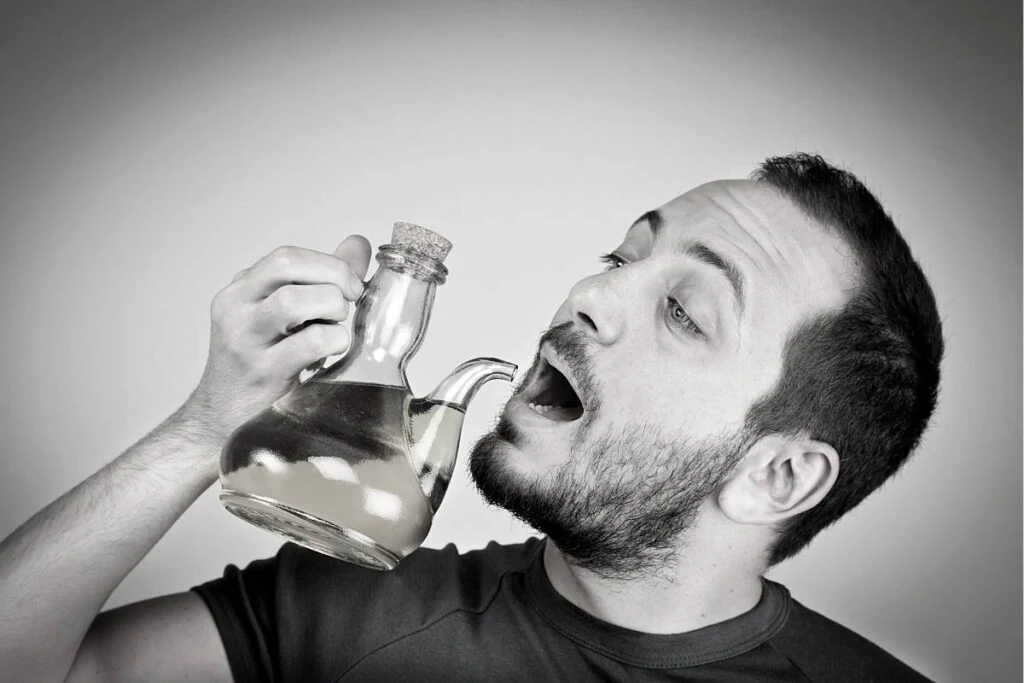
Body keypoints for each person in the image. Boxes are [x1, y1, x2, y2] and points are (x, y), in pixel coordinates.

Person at [0, 153, 942, 682]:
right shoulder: (348, 613)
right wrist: (204, 430)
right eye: (621, 257)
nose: (590, 296)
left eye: (685, 311)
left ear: (778, 475)